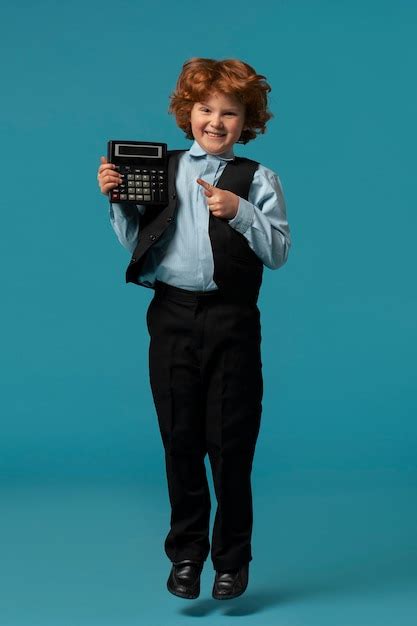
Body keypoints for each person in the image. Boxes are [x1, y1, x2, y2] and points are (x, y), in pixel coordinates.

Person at [97, 57, 291, 601]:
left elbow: (277, 252)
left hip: (232, 319)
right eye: (206, 109)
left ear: (246, 120)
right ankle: (186, 555)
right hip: (171, 315)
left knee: (231, 444)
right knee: (180, 439)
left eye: (230, 112)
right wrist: (117, 198)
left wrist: (240, 211)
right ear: (188, 113)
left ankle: (232, 560)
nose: (216, 120)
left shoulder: (259, 180)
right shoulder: (165, 167)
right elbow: (138, 239)